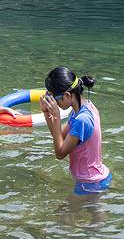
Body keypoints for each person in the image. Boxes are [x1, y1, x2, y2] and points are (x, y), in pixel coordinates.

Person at [40, 67, 112, 195]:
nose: (54, 103)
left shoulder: (82, 120)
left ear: (67, 95)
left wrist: (56, 117)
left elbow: (60, 154)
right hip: (94, 179)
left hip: (89, 183)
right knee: (94, 213)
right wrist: (47, 114)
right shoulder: (84, 107)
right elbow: (60, 137)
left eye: (54, 98)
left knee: (64, 213)